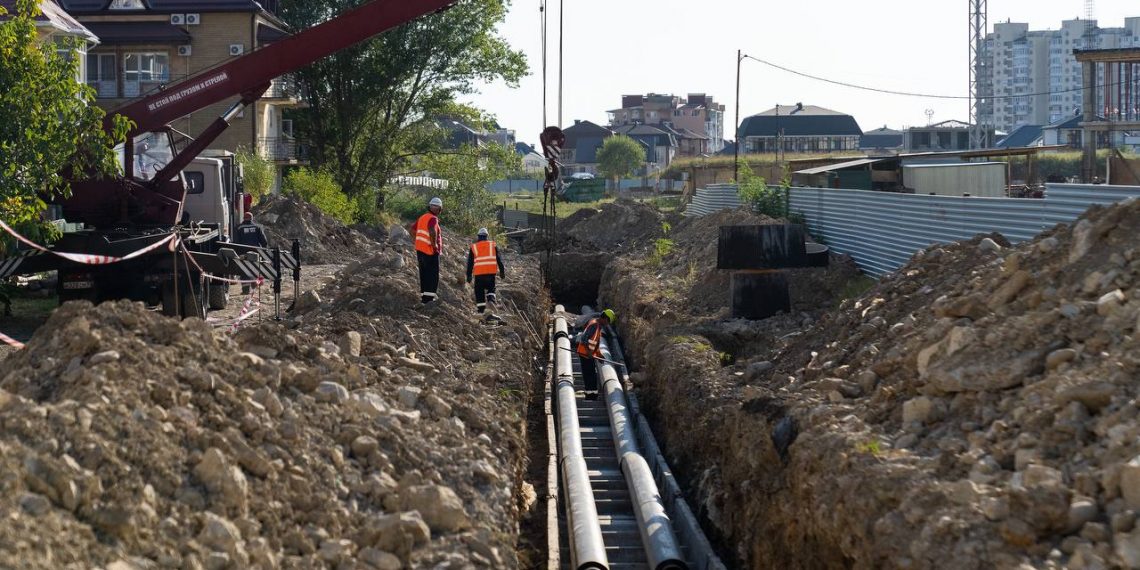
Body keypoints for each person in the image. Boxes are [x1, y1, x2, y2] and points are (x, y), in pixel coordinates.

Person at [575, 309, 616, 400]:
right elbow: (584, 339)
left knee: (592, 375)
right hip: (585, 355)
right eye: (608, 321)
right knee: (590, 376)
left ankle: (592, 395)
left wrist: (599, 355)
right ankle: (590, 396)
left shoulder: (597, 326)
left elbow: (595, 344)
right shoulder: (594, 325)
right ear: (605, 318)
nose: (607, 324)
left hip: (588, 354)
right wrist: (589, 353)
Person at [466, 227, 505, 316]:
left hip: (479, 275)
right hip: (490, 274)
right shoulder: (493, 245)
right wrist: (502, 272)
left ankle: (481, 311)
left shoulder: (474, 247)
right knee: (491, 289)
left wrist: (468, 275)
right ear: (487, 236)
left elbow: (470, 263)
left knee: (479, 292)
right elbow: (499, 260)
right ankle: (491, 300)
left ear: (478, 236)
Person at [411, 197, 443, 304]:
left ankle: (424, 298)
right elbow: (432, 231)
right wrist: (434, 246)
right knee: (432, 275)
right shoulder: (433, 218)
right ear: (439, 209)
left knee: (424, 274)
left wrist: (418, 241)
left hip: (420, 250)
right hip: (430, 252)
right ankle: (429, 299)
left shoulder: (422, 217)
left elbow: (412, 230)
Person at [234, 212, 269, 293]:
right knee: (256, 268)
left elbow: (235, 242)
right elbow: (264, 241)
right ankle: (254, 286)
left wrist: (238, 253)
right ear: (252, 218)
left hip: (243, 252)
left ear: (244, 218)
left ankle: (245, 290)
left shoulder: (239, 228)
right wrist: (263, 252)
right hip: (255, 252)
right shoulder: (257, 227)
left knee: (244, 270)